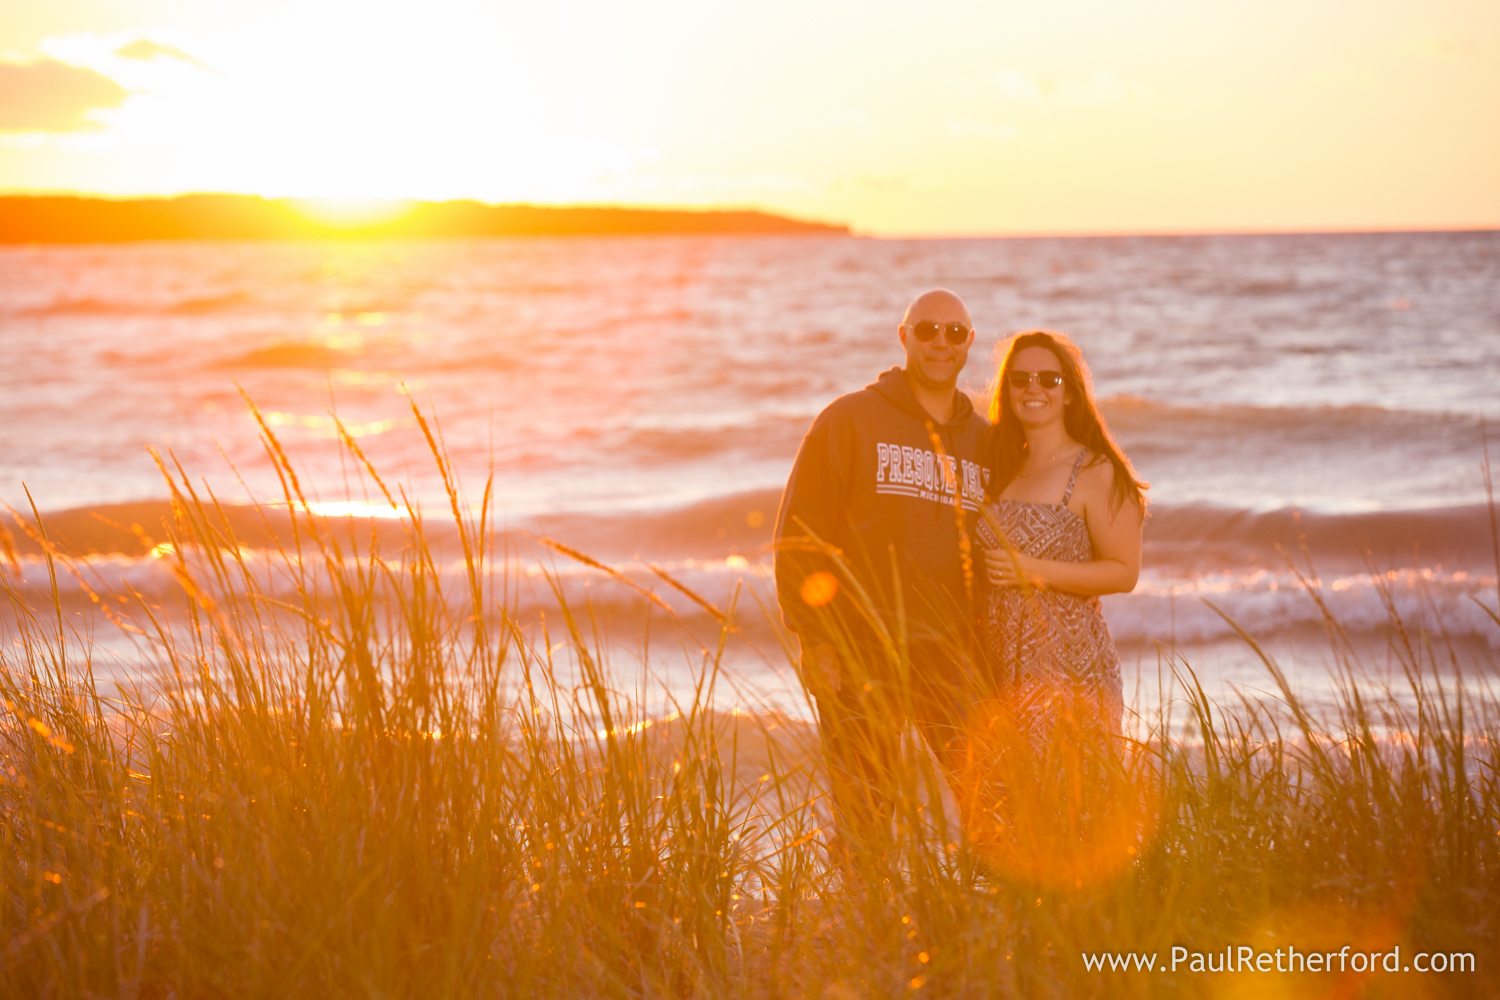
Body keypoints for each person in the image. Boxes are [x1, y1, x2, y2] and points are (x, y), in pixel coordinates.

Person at [773, 288, 991, 867]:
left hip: (952, 647)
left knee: (987, 796)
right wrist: (815, 638)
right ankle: (862, 935)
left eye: (954, 332)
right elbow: (799, 532)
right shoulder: (849, 419)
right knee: (866, 810)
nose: (940, 343)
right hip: (860, 646)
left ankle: (988, 925)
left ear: (970, 342)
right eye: (927, 330)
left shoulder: (985, 439)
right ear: (904, 337)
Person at [977, 329, 1146, 750]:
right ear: (1008, 389)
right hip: (996, 664)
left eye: (1048, 379)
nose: (1033, 388)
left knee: (1069, 802)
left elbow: (1124, 573)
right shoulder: (996, 464)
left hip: (1068, 666)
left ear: (1069, 393)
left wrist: (1032, 570)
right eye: (1020, 379)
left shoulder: (1095, 471)